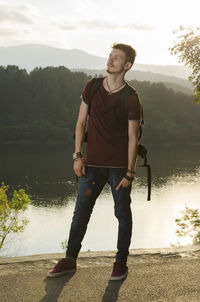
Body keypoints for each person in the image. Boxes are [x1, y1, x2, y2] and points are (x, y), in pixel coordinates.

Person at [47, 43, 141, 280]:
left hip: (119, 166)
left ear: (127, 65)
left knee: (122, 214)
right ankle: (69, 260)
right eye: (110, 56)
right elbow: (80, 123)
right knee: (80, 213)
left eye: (116, 58)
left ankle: (120, 263)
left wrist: (130, 173)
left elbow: (133, 137)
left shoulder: (131, 97)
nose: (110, 60)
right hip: (92, 164)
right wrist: (78, 155)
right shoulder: (93, 86)